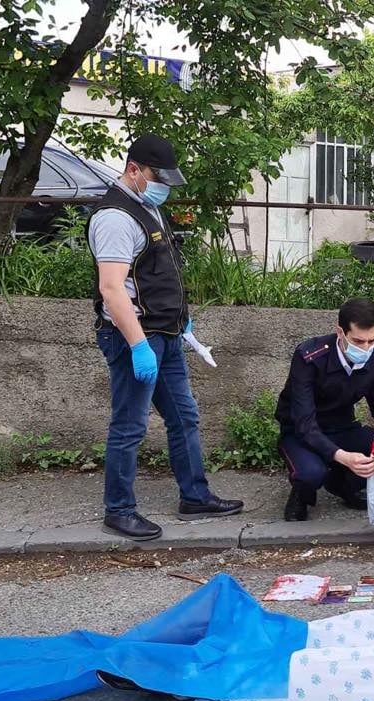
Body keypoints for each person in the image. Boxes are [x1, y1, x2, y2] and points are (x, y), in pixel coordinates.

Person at [89, 134, 242, 540]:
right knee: (130, 426)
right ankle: (118, 510)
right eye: (158, 178)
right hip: (136, 338)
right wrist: (138, 345)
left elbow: (157, 273)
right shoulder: (115, 218)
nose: (164, 188)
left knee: (184, 417)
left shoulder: (147, 207)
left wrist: (181, 321)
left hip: (167, 334)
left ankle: (195, 496)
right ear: (133, 169)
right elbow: (112, 289)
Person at [275, 298, 374, 521]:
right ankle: (302, 494)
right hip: (301, 432)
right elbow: (304, 422)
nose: (366, 348)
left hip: (343, 428)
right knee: (310, 474)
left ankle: (342, 484)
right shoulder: (310, 356)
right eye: (358, 341)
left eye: (372, 340)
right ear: (340, 332)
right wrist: (343, 457)